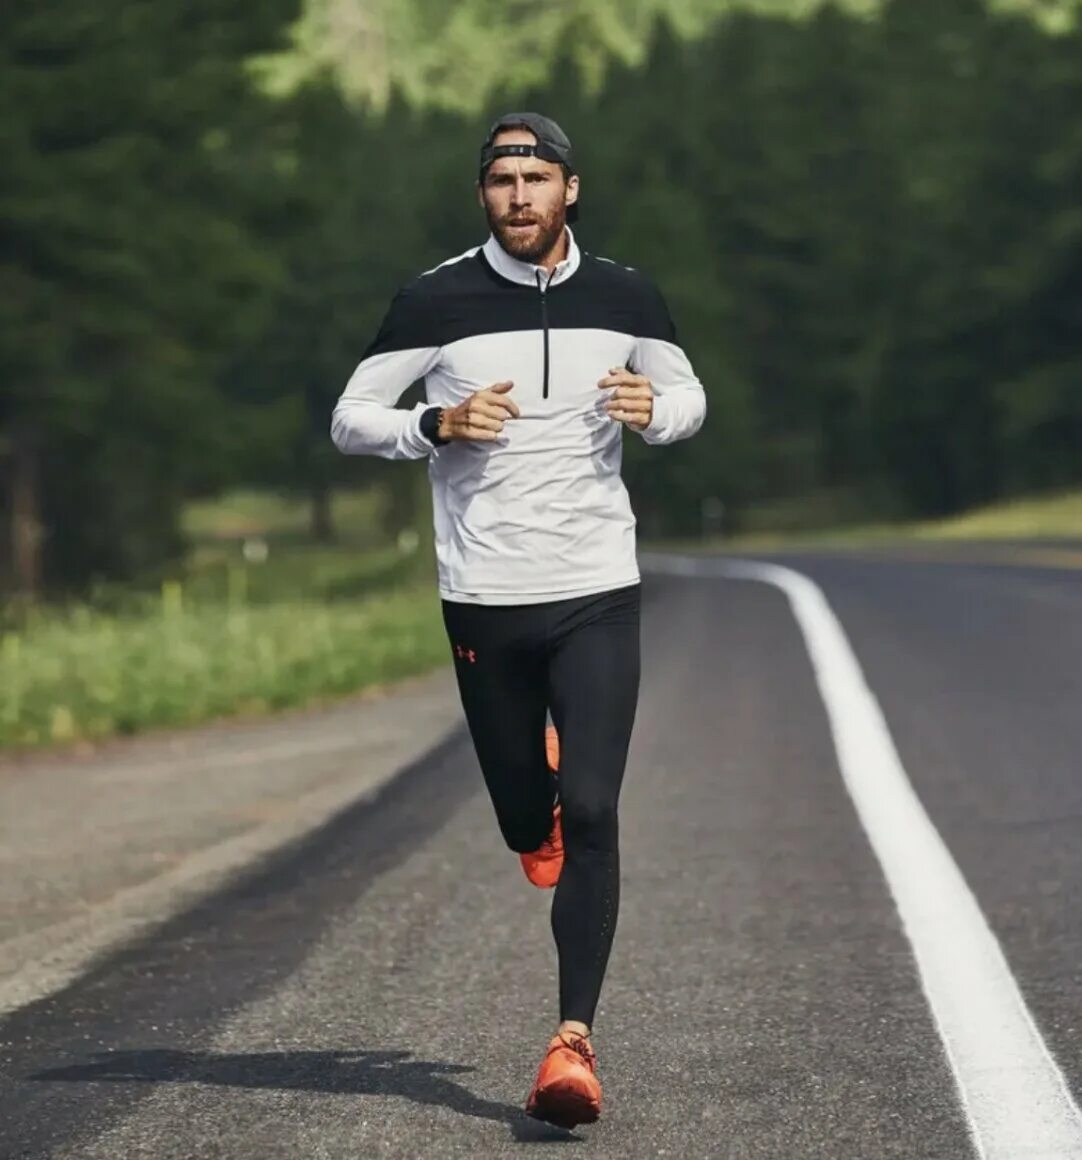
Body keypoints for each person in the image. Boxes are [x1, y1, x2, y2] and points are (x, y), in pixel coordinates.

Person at [330, 112, 706, 1129]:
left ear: (568, 189)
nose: (519, 194)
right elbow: (349, 416)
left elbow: (687, 398)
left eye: (536, 176)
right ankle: (526, 800)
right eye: (501, 179)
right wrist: (432, 422)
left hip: (594, 587)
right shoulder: (434, 297)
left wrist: (652, 409)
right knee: (523, 821)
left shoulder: (625, 293)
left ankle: (570, 1041)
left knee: (591, 810)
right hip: (484, 598)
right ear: (483, 195)